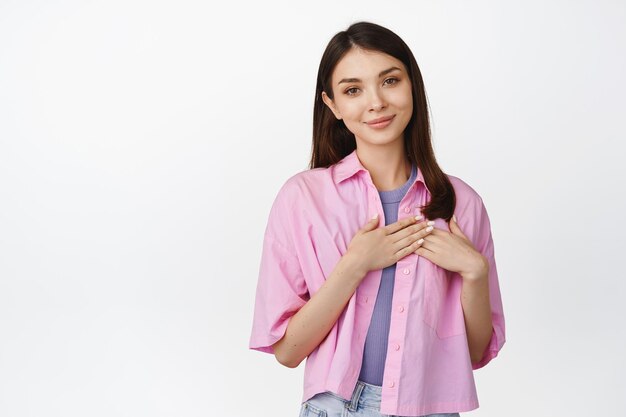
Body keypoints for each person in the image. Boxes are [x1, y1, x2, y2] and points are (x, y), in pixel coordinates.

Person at [249, 21, 506, 417]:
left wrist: (475, 272)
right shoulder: (303, 199)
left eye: (389, 81)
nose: (376, 102)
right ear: (332, 105)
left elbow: (473, 352)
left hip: (429, 407)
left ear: (412, 86)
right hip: (334, 407)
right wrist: (355, 264)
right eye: (353, 90)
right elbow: (287, 351)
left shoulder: (461, 204)